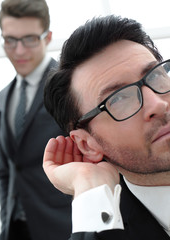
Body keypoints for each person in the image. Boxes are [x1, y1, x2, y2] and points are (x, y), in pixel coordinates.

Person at [43, 15, 170, 239]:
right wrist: (89, 184)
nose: (157, 105)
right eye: (119, 99)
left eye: (156, 75)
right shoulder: (106, 229)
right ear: (87, 144)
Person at [0, 0, 72, 239]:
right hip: (16, 229)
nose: (19, 51)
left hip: (62, 226)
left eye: (29, 39)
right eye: (10, 40)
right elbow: (6, 172)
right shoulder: (1, 98)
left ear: (47, 37)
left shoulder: (69, 87)